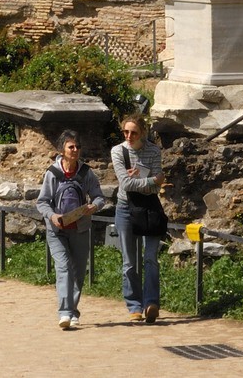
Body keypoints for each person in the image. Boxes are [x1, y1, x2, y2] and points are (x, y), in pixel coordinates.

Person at [35, 130, 107, 330]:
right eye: (71, 147)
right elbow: (42, 202)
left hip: (80, 228)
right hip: (57, 230)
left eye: (77, 147)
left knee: (78, 272)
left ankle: (73, 312)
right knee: (64, 267)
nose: (75, 150)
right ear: (62, 150)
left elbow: (99, 197)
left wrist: (95, 206)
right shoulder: (52, 173)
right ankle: (64, 313)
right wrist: (52, 216)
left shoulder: (86, 173)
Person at [111, 114, 166, 323]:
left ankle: (151, 303)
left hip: (150, 208)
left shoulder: (153, 150)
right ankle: (134, 305)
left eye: (133, 132)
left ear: (142, 132)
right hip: (126, 208)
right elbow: (126, 184)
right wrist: (151, 179)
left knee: (151, 257)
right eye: (126, 132)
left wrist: (144, 180)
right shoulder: (118, 151)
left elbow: (158, 184)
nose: (129, 136)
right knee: (129, 262)